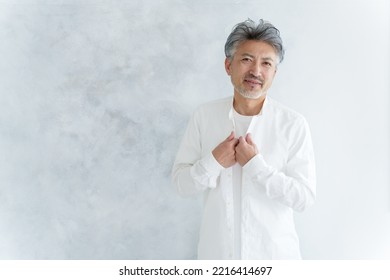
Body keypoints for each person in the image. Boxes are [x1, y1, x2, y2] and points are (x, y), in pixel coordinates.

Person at [171, 19, 316, 260]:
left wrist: (256, 167)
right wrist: (214, 162)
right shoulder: (204, 116)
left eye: (266, 63)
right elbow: (181, 185)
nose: (256, 71)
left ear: (274, 72)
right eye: (247, 59)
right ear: (229, 65)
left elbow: (303, 199)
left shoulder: (293, 124)